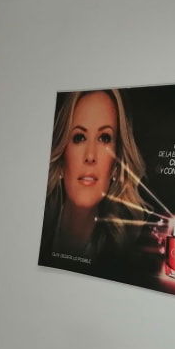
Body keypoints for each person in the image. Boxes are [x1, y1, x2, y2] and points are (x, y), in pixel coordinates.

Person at [38, 89, 149, 263]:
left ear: (116, 165)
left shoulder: (124, 260)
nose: (90, 156)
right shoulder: (33, 227)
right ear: (61, 160)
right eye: (79, 137)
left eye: (104, 138)